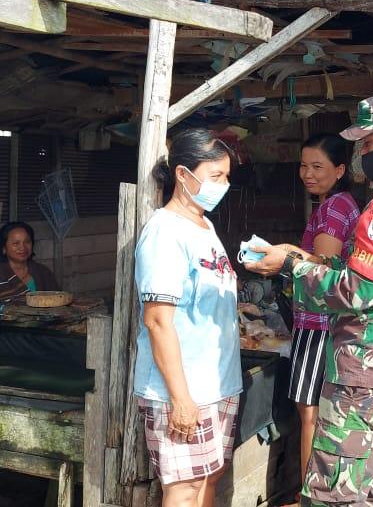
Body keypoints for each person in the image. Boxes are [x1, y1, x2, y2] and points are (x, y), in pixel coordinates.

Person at [244, 93, 373, 507]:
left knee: (335, 495)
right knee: (368, 486)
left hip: (365, 374)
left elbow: (354, 292)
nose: (362, 156)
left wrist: (291, 267)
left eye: (369, 144)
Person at [132, 129, 242, 507]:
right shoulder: (163, 232)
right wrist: (180, 398)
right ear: (183, 174)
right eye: (216, 177)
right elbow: (157, 321)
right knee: (183, 489)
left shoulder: (204, 225)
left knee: (209, 478)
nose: (223, 185)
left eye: (226, 177)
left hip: (218, 384)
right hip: (181, 389)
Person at [290, 133, 362, 486]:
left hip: (318, 322)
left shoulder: (334, 208)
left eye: (317, 166)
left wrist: (280, 256)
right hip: (332, 322)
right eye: (304, 165)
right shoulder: (343, 203)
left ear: (340, 169)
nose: (308, 173)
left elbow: (323, 264)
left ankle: (307, 493)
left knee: (309, 412)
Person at [0, 222, 60, 304]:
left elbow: (60, 303)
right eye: (16, 243)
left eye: (27, 242)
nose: (22, 247)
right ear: (4, 248)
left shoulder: (43, 272)